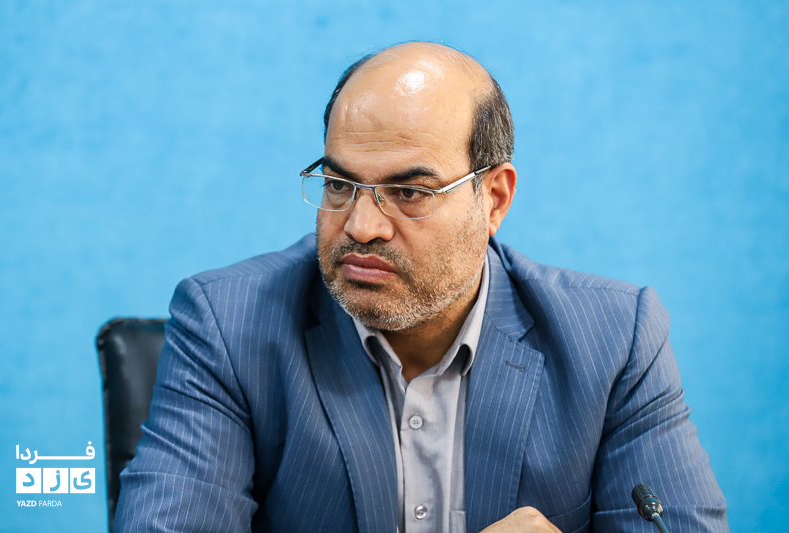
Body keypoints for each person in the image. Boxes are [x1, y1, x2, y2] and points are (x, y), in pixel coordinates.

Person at [115, 42, 728, 533]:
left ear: (494, 199)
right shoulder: (228, 325)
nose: (361, 225)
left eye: (409, 192)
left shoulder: (614, 340)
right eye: (339, 184)